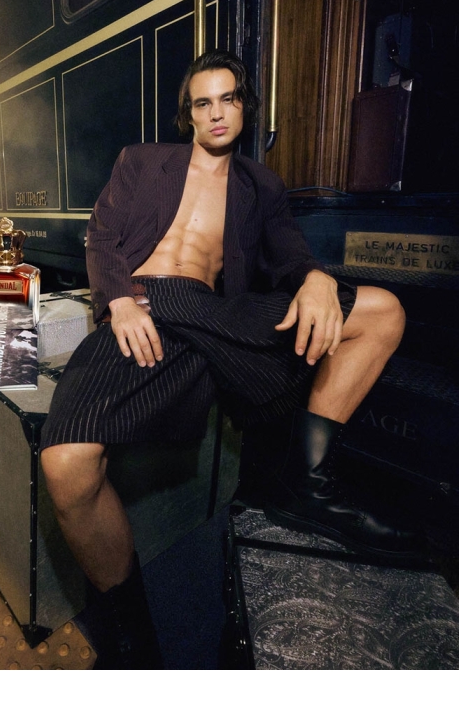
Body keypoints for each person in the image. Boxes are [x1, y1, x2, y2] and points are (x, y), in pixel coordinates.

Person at [39, 50, 422, 668]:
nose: (216, 113)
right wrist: (120, 302)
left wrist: (316, 278)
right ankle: (130, 629)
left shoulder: (260, 184)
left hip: (213, 314)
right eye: (203, 102)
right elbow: (101, 235)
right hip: (143, 307)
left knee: (383, 312)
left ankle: (308, 484)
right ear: (188, 114)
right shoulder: (142, 161)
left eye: (229, 99)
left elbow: (289, 251)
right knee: (65, 465)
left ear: (244, 106)